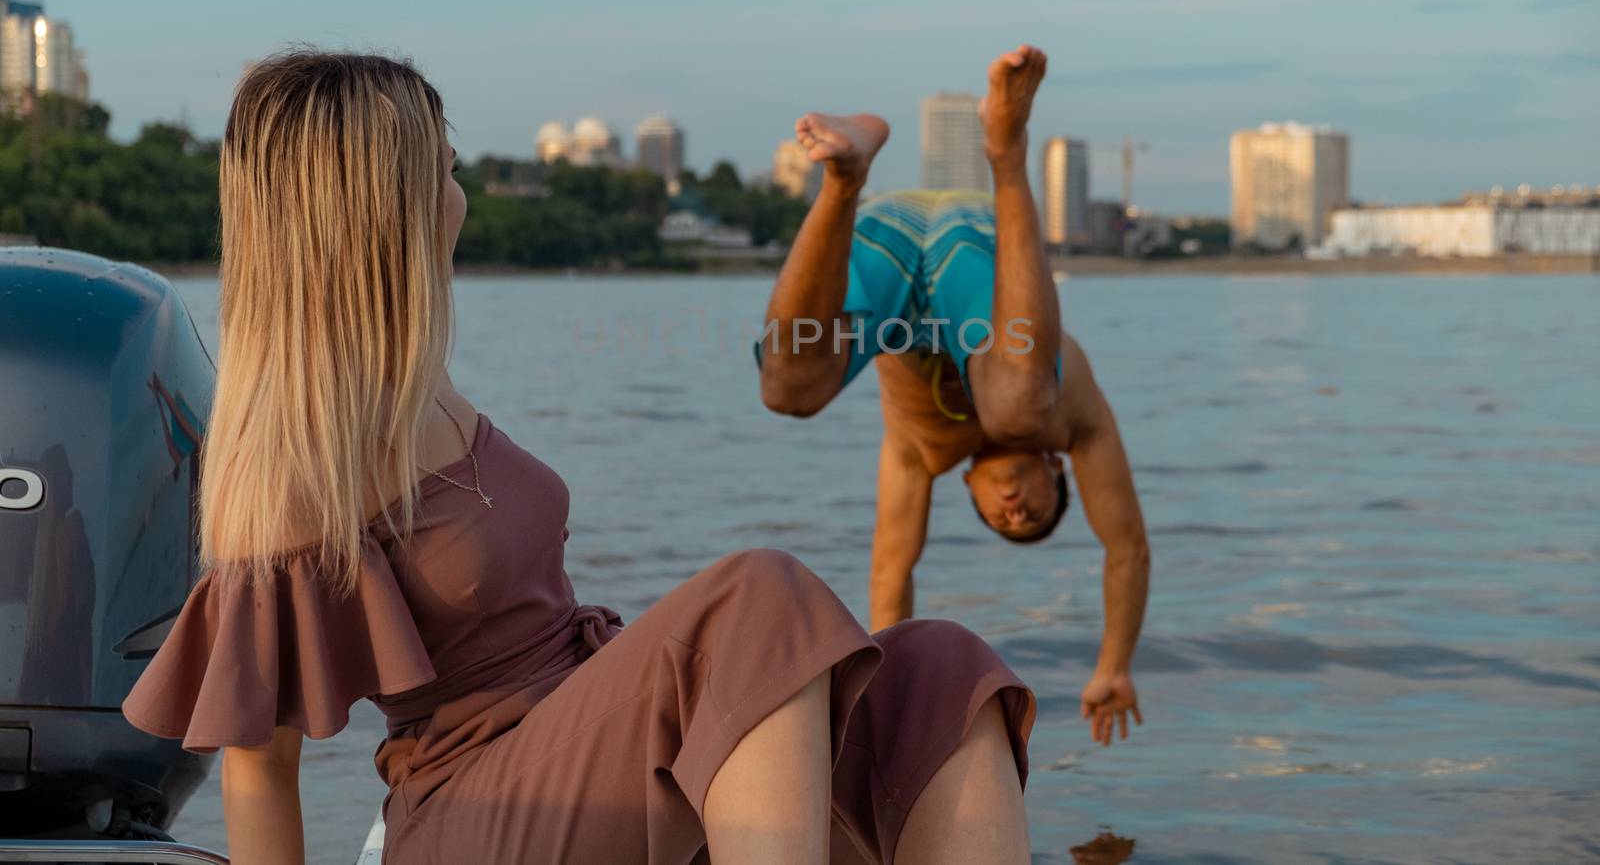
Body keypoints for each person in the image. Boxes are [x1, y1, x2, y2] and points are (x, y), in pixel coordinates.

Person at [121, 51, 1036, 864]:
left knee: (938, 673)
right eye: (446, 168)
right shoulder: (301, 446)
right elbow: (259, 767)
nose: (462, 192)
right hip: (476, 806)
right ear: (384, 201)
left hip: (580, 736)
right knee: (762, 597)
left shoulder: (417, 378)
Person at [757, 45, 1150, 748]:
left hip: (888, 254)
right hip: (975, 244)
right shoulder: (1076, 423)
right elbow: (1126, 547)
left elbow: (890, 572)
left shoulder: (921, 450)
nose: (1016, 512)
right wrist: (1115, 664)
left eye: (1006, 523)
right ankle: (1006, 149)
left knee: (788, 390)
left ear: (967, 488)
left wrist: (879, 709)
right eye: (1035, 513)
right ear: (1056, 471)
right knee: (1017, 409)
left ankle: (844, 178)